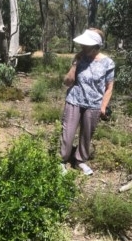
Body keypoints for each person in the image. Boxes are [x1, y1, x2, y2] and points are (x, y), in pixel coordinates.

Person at [61, 28, 115, 175]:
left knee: (86, 135)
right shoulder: (79, 58)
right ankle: (62, 160)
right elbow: (67, 82)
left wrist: (103, 106)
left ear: (96, 46)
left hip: (94, 104)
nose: (83, 48)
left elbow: (109, 87)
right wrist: (74, 64)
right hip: (74, 100)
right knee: (68, 133)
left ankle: (79, 160)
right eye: (83, 45)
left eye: (87, 46)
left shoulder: (108, 63)